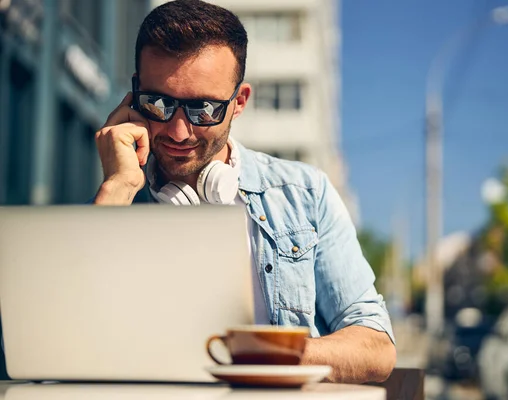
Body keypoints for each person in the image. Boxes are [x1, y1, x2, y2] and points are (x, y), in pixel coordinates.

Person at [93, 0, 396, 384]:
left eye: (203, 109)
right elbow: (55, 344)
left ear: (239, 102)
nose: (178, 131)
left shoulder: (304, 195)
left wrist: (257, 354)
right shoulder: (117, 199)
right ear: (135, 94)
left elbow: (376, 346)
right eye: (159, 103)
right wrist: (117, 190)